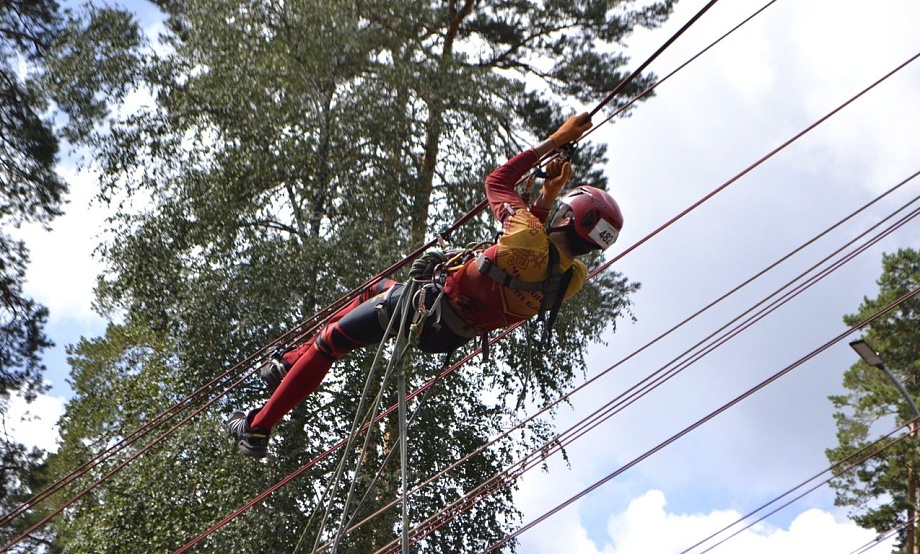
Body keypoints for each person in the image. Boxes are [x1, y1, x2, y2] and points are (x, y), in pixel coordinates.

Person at [226, 113, 623, 457]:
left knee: (330, 343)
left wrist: (557, 139)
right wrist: (547, 194)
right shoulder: (573, 278)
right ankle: (288, 363)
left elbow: (498, 181)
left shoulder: (528, 237)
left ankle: (257, 427)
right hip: (447, 334)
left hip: (420, 306)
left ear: (569, 219)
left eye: (562, 209)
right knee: (371, 291)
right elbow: (532, 262)